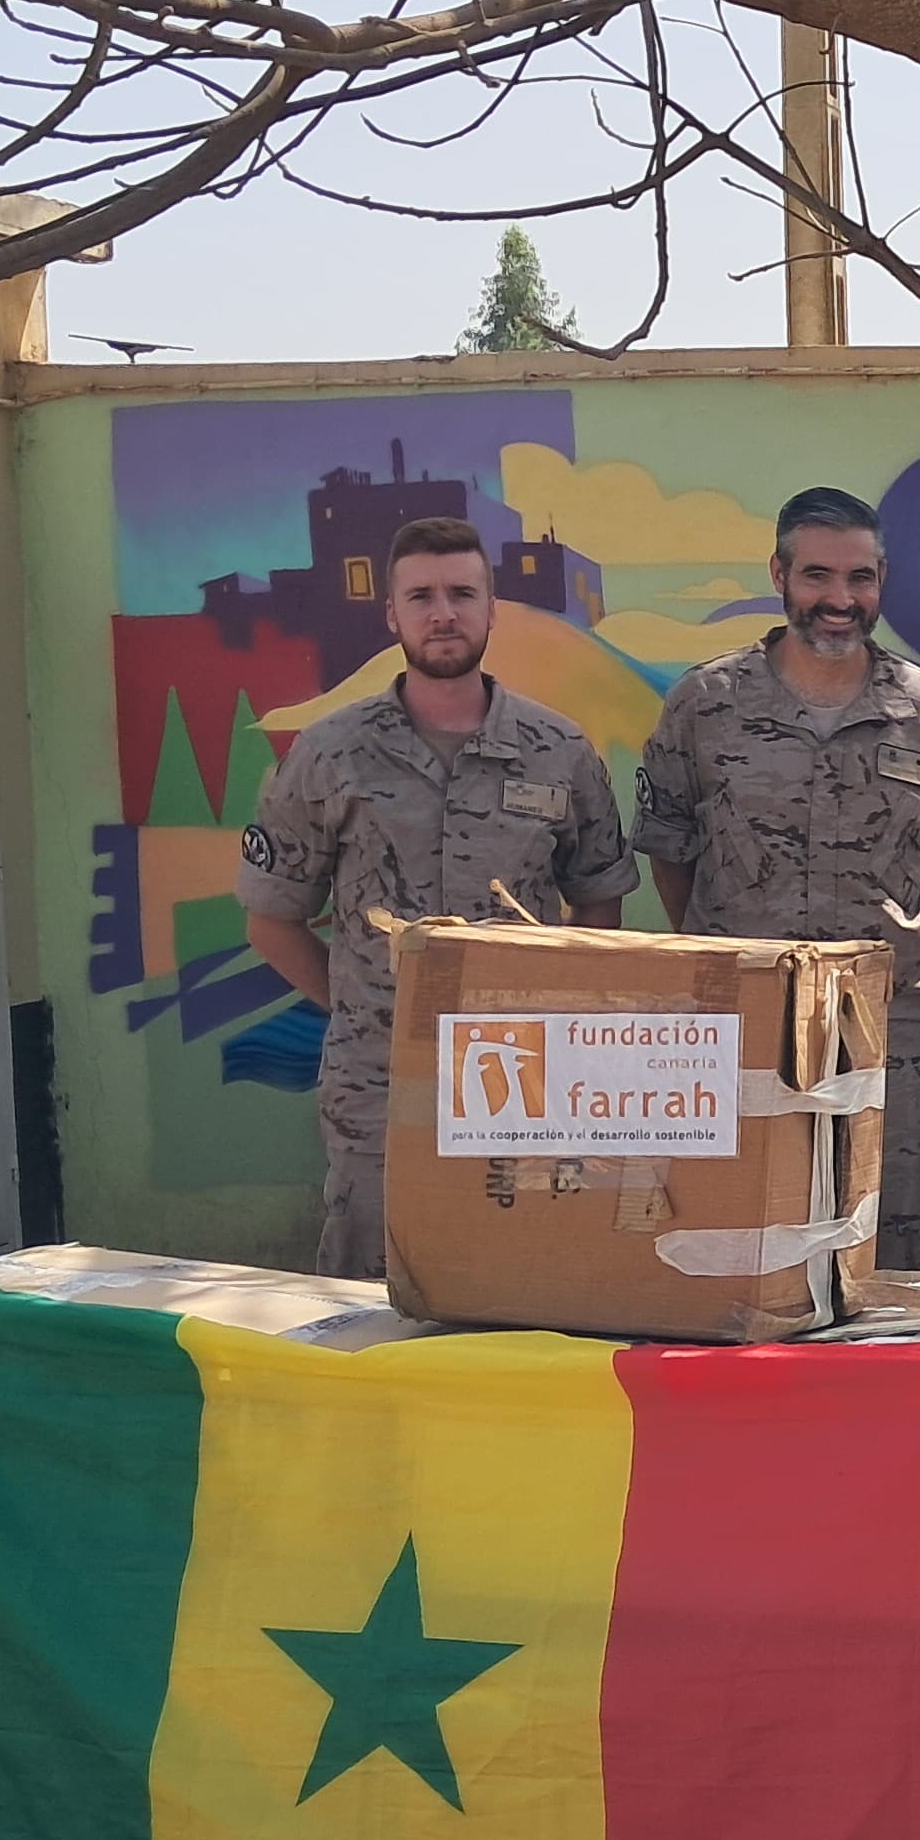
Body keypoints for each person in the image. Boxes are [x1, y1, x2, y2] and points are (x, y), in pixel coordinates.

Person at [238, 515, 636, 1277]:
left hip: (525, 1078)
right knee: (370, 1283)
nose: (443, 613)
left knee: (524, 1277)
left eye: (462, 593)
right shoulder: (331, 753)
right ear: (391, 615)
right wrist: (366, 1008)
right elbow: (272, 918)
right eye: (421, 596)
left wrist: (552, 1009)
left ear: (492, 609)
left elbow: (600, 903)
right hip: (380, 1085)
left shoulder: (558, 750)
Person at [630, 484, 920, 1265]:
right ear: (780, 575)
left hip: (890, 1023)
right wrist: (735, 949)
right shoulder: (707, 703)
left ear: (881, 583)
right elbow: (671, 850)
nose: (840, 599)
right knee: (742, 1236)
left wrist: (890, 947)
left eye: (859, 578)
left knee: (898, 1236)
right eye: (818, 576)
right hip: (747, 1018)